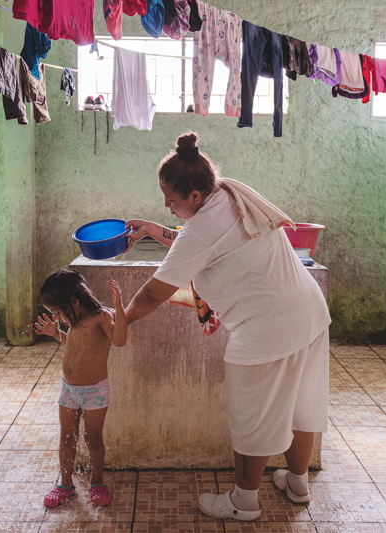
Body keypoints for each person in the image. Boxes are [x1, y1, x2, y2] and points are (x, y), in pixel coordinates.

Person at [123, 132, 331, 520]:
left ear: (195, 197)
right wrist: (156, 229)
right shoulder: (230, 194)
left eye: (171, 199)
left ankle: (243, 502)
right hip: (309, 312)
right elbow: (203, 242)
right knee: (301, 404)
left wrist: (119, 319)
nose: (166, 205)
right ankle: (297, 483)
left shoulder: (201, 228)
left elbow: (154, 292)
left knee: (253, 414)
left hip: (266, 329)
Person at [34, 269, 127, 508]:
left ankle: (97, 482)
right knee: (66, 438)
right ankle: (65, 484)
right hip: (69, 390)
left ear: (74, 302)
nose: (57, 317)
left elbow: (119, 341)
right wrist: (57, 334)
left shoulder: (101, 318)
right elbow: (73, 347)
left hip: (94, 391)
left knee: (92, 438)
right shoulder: (73, 322)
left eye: (57, 312)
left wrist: (119, 308)